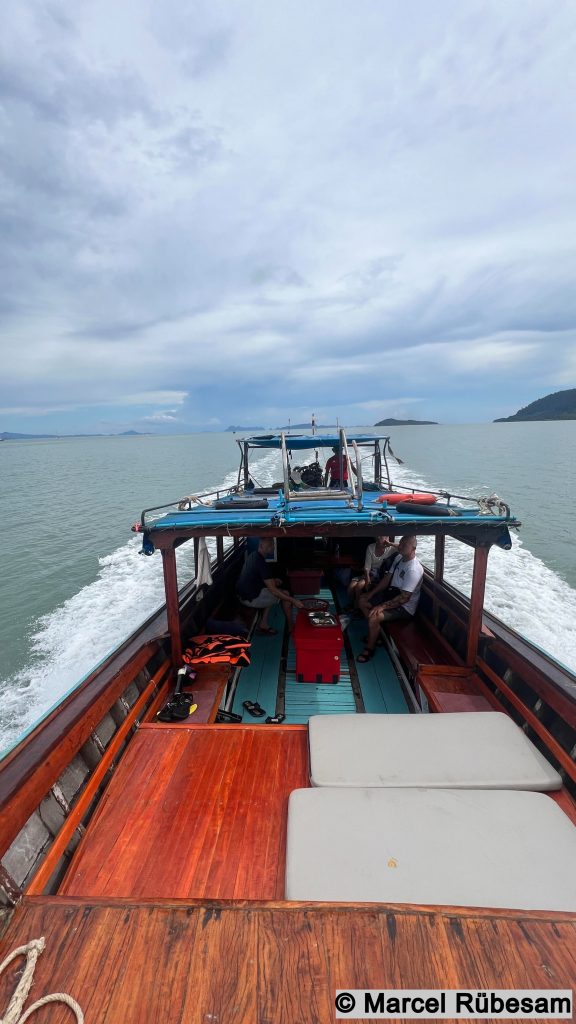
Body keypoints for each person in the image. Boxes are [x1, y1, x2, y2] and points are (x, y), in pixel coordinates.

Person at [357, 535, 423, 662]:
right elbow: (386, 580)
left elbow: (404, 598)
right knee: (362, 600)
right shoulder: (399, 558)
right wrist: (370, 594)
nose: (401, 546)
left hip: (404, 607)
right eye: (401, 543)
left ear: (413, 548)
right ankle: (376, 634)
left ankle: (369, 648)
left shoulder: (414, 569)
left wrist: (381, 606)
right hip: (391, 595)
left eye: (405, 545)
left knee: (374, 616)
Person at [236, 538, 304, 634]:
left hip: (243, 595)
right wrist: (294, 600)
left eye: (273, 544)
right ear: (261, 547)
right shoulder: (262, 563)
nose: (273, 547)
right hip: (249, 599)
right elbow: (274, 590)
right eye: (270, 545)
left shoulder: (254, 556)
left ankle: (263, 623)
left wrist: (273, 581)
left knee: (272, 591)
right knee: (285, 594)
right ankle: (290, 626)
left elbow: (257, 578)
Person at [346, 536, 396, 610]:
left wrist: (391, 544)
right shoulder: (371, 547)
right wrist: (368, 580)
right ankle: (351, 604)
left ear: (387, 537)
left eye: (383, 536)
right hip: (370, 573)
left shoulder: (391, 549)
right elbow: (367, 568)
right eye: (378, 536)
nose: (379, 538)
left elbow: (402, 548)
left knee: (359, 586)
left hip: (380, 574)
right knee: (351, 586)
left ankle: (357, 607)